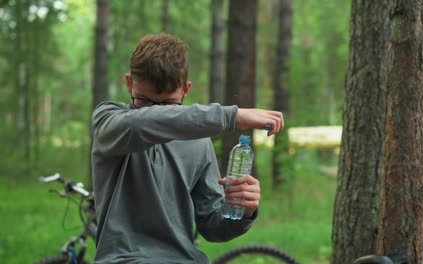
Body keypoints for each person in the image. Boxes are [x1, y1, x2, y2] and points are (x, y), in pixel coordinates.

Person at [91, 33, 284, 264]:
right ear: (129, 83)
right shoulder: (109, 120)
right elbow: (139, 123)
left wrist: (243, 210)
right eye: (143, 101)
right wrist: (230, 116)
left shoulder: (198, 140)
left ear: (186, 90)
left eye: (169, 103)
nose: (154, 110)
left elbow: (212, 226)